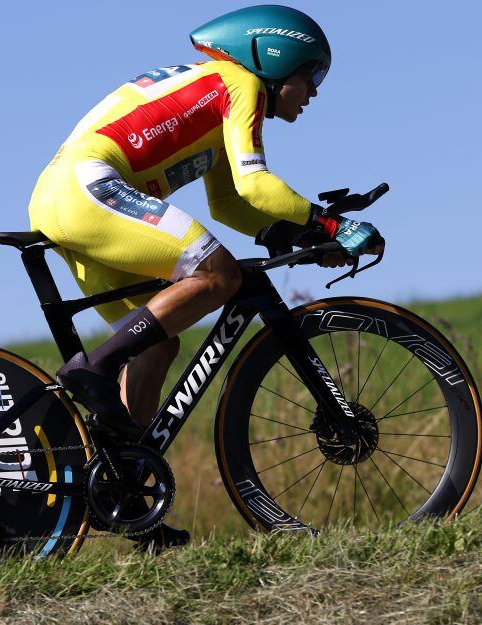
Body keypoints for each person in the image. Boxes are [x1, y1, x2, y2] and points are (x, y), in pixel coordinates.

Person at [27, 5, 382, 549]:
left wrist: (300, 236)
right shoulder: (238, 83)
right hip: (87, 187)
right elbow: (259, 183)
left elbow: (233, 204)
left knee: (158, 346)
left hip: (71, 196)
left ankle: (125, 495)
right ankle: (93, 368)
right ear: (275, 56)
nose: (313, 90)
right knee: (217, 273)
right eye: (311, 74)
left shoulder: (217, 94)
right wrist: (328, 219)